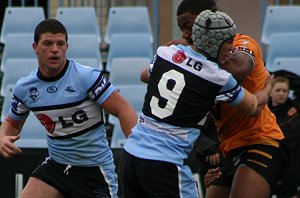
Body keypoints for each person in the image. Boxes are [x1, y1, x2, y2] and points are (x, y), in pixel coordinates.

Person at [119, 10, 271, 198]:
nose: (232, 48)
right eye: (229, 42)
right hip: (164, 162)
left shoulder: (166, 52)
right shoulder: (217, 77)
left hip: (131, 154)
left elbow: (145, 76)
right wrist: (267, 86)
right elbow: (254, 107)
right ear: (214, 43)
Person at [0, 19, 137, 198]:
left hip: (94, 171)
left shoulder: (87, 77)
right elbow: (12, 123)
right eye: (48, 43)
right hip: (57, 167)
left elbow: (123, 109)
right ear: (35, 47)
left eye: (60, 43)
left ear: (66, 46)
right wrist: (2, 137)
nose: (55, 49)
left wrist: (137, 152)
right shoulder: (25, 88)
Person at [205, 17, 290, 198]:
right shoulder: (200, 68)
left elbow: (254, 106)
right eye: (182, 28)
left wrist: (267, 88)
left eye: (189, 26)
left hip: (262, 141)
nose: (186, 34)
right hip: (231, 151)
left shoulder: (235, 55)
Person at [269, 76, 300, 198]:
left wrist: (279, 74)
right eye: (277, 90)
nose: (281, 94)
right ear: (270, 91)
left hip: (294, 168)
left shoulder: (294, 108)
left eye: (285, 91)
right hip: (273, 166)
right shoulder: (264, 111)